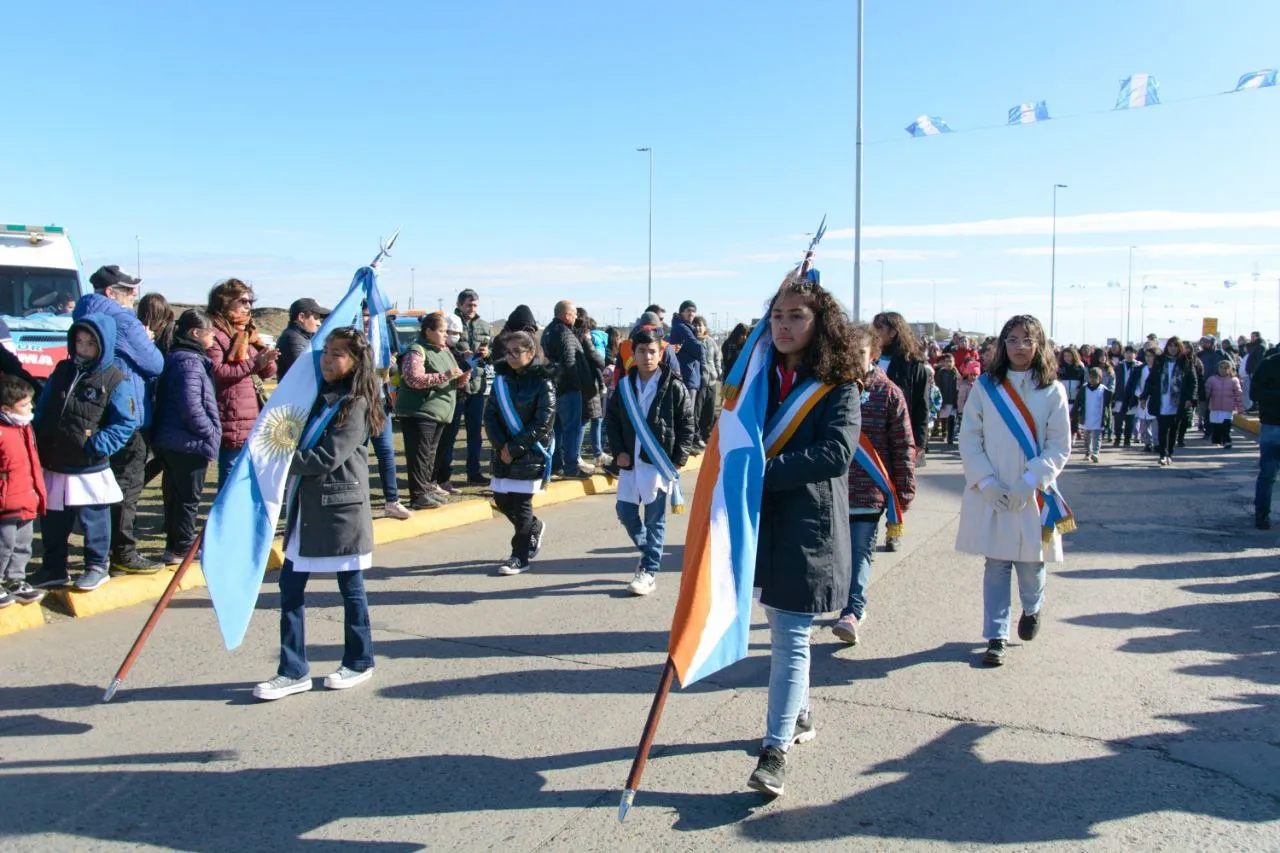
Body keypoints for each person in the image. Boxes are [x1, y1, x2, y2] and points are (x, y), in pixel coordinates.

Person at [747, 269, 860, 798]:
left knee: (790, 635)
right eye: (777, 315)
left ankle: (774, 750)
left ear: (820, 323)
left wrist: (764, 472)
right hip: (759, 521)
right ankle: (802, 712)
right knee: (779, 624)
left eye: (797, 315)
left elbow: (837, 453)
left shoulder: (839, 385)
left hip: (805, 523)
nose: (784, 325)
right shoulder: (755, 378)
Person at [252, 328, 383, 701]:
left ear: (356, 361)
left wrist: (277, 461)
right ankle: (292, 670)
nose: (327, 359)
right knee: (290, 588)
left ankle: (359, 660)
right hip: (305, 509)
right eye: (326, 351)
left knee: (351, 589)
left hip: (341, 510)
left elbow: (327, 457)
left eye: (338, 354)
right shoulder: (314, 397)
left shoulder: (356, 403)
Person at [957, 314, 1071, 667]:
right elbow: (970, 437)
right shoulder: (985, 387)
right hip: (993, 489)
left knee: (1030, 563)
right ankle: (996, 635)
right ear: (1003, 344)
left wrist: (1030, 481)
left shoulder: (1052, 389)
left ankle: (1033, 608)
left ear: (1039, 345)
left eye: (1027, 340)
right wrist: (986, 482)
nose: (1019, 347)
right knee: (996, 563)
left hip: (1032, 491)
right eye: (1013, 339)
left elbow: (1059, 445)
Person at [30, 315, 138, 591]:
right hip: (55, 459)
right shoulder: (63, 369)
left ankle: (96, 566)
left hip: (88, 465)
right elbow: (43, 406)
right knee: (53, 518)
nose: (83, 348)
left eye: (90, 343)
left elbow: (125, 421)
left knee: (94, 517)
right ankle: (53, 567)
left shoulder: (115, 379)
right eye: (79, 341)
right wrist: (37, 433)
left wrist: (98, 445)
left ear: (103, 344)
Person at [75, 265, 165, 573]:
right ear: (111, 293)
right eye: (128, 290)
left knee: (100, 484)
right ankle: (123, 551)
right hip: (127, 412)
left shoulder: (82, 313)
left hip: (95, 412)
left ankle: (101, 551)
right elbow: (154, 363)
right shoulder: (123, 319)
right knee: (127, 484)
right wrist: (147, 338)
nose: (133, 295)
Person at [832, 323, 914, 645]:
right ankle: (843, 602)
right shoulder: (832, 389)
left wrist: (903, 490)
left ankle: (853, 610)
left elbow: (903, 444)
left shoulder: (889, 393)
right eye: (848, 355)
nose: (854, 361)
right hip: (835, 491)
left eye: (861, 355)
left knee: (860, 551)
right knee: (839, 555)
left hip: (870, 491)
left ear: (874, 356)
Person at [605, 327, 695, 596]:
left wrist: (678, 460)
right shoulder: (624, 386)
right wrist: (618, 450)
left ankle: (649, 571)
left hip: (658, 462)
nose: (647, 357)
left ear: (661, 353)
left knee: (655, 520)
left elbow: (686, 425)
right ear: (633, 354)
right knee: (625, 512)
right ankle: (649, 552)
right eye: (641, 351)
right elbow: (612, 421)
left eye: (652, 351)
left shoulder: (674, 385)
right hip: (630, 462)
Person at [150, 309, 221, 565]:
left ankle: (175, 545)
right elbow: (191, 405)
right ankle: (181, 546)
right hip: (187, 441)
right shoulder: (189, 362)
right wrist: (210, 430)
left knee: (176, 495)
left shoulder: (181, 358)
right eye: (210, 332)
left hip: (175, 439)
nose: (213, 337)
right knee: (187, 498)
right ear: (195, 333)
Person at [484, 330, 555, 575]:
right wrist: (501, 446)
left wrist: (515, 448)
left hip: (530, 451)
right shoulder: (502, 380)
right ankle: (534, 528)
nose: (511, 356)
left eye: (517, 351)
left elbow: (544, 420)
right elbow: (490, 414)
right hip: (503, 450)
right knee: (502, 500)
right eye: (508, 351)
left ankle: (519, 556)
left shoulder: (543, 381)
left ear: (531, 353)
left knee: (521, 504)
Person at [207, 279, 279, 488]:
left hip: (248, 411)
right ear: (225, 302)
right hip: (228, 410)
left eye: (250, 302)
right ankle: (226, 518)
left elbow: (266, 372)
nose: (248, 306)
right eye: (243, 301)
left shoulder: (247, 333)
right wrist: (254, 363)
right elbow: (218, 371)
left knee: (245, 473)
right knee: (231, 472)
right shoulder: (216, 332)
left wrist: (268, 360)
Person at [394, 313, 467, 509]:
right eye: (442, 331)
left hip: (440, 413)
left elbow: (452, 378)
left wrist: (463, 377)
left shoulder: (445, 351)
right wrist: (445, 375)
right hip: (420, 412)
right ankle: (418, 496)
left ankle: (427, 489)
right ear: (428, 332)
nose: (446, 335)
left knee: (430, 455)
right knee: (420, 454)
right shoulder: (416, 351)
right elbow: (413, 378)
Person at [541, 300, 601, 479]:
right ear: (567, 315)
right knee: (572, 429)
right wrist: (577, 383)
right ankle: (571, 467)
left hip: (556, 388)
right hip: (568, 389)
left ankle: (558, 465)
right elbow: (569, 361)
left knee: (558, 429)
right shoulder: (565, 333)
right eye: (574, 315)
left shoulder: (548, 331)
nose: (576, 318)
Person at [361, 304, 411, 520]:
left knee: (386, 453)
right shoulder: (349, 340)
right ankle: (359, 503)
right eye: (364, 316)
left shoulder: (382, 337)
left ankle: (392, 501)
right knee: (359, 455)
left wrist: (390, 365)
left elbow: (391, 371)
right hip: (358, 405)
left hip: (380, 403)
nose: (367, 320)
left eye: (370, 317)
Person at [0, 374, 46, 607]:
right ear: (6, 408)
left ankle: (16, 579)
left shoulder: (25, 428)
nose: (29, 408)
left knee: (23, 543)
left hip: (27, 497)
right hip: (5, 502)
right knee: (3, 544)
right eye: (24, 405)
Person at [871, 312, 928, 466]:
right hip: (869, 434)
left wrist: (919, 441)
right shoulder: (868, 359)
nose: (873, 332)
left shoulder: (914, 365)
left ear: (893, 332)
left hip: (900, 435)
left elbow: (921, 406)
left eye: (879, 328)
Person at [451, 289, 493, 486]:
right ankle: (443, 475)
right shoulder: (450, 323)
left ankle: (474, 472)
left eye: (475, 305)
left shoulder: (485, 326)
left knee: (475, 433)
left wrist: (486, 353)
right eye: (469, 305)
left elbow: (492, 356)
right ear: (460, 305)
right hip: (454, 387)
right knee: (449, 434)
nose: (472, 308)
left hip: (476, 387)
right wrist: (462, 353)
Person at [1142, 336, 1198, 467]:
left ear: (1180, 348)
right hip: (1162, 400)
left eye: (1176, 346)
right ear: (1167, 347)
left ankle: (1169, 454)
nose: (1173, 349)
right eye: (1170, 346)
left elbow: (1193, 382)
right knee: (1162, 428)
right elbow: (1151, 380)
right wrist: (1144, 396)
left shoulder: (1186, 362)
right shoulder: (1160, 361)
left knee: (1173, 429)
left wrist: (1191, 398)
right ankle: (1162, 454)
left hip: (1178, 402)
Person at [1249, 342, 1280, 529]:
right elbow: (1255, 393)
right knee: (1268, 474)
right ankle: (1262, 514)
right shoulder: (1269, 364)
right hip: (1272, 426)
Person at [667, 301, 705, 447]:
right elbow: (699, 349)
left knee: (687, 413)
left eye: (694, 311)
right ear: (681, 312)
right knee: (686, 414)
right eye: (688, 310)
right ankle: (683, 447)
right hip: (687, 375)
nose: (691, 314)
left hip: (690, 374)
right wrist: (701, 343)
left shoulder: (686, 327)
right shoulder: (682, 328)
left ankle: (685, 445)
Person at [275, 298, 330, 379]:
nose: (319, 323)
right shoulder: (292, 339)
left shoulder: (301, 337)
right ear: (301, 317)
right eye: (316, 318)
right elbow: (305, 372)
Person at [693, 315, 722, 444]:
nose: (698, 328)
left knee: (709, 410)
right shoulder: (692, 341)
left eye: (700, 325)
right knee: (697, 410)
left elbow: (716, 357)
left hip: (712, 381)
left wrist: (717, 371)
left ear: (705, 327)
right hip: (699, 382)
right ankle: (697, 436)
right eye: (696, 325)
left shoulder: (710, 341)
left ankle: (707, 434)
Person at [1205, 359, 1244, 448]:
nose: (1223, 369)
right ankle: (1217, 440)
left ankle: (1227, 441)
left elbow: (1238, 395)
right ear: (1218, 368)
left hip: (1228, 408)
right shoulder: (1212, 379)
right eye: (1221, 367)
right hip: (1215, 407)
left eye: (1226, 367)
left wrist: (1240, 408)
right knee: (1216, 425)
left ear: (1230, 369)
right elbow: (1206, 392)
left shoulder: (1234, 380)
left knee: (1226, 426)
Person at [1076, 367, 1111, 463]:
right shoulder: (1084, 388)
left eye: (1095, 378)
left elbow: (1107, 406)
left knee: (1097, 436)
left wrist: (1107, 419)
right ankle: (1087, 452)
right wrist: (1075, 412)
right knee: (1086, 436)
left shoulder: (1103, 389)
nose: (1093, 380)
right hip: (1086, 417)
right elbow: (1078, 401)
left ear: (1100, 378)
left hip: (1098, 417)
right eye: (1091, 377)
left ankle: (1095, 453)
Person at [1195, 336, 1227, 438]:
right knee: (1205, 408)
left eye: (1208, 342)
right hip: (1203, 385)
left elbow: (1231, 366)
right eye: (1204, 342)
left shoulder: (1221, 354)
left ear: (1213, 343)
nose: (1205, 344)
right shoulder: (1200, 355)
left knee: (1215, 409)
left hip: (1218, 385)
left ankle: (1215, 430)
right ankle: (1207, 430)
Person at [1111, 346, 1141, 448]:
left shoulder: (1139, 366)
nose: (1128, 355)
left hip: (1132, 398)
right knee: (1118, 420)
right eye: (1127, 352)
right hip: (1119, 397)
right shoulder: (1119, 366)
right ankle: (1117, 438)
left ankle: (1127, 439)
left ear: (1135, 354)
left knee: (1130, 420)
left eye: (1131, 352)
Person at [1057, 347, 1086, 442]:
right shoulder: (1060, 368)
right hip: (1064, 398)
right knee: (1065, 419)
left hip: (1075, 398)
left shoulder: (1079, 368)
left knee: (1075, 418)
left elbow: (1083, 381)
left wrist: (1080, 391)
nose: (1067, 358)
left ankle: (1073, 433)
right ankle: (1065, 436)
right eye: (1065, 356)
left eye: (1069, 356)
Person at [1134, 349, 1158, 452]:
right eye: (1146, 356)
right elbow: (1136, 385)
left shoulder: (1158, 369)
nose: (1148, 358)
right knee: (1144, 423)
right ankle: (1148, 443)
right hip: (1143, 400)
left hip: (1155, 399)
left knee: (1156, 423)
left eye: (1151, 356)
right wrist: (1141, 396)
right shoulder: (1141, 369)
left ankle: (1157, 443)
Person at [934, 351, 960, 445]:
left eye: (951, 361)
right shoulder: (941, 373)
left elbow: (959, 386)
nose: (949, 363)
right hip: (944, 399)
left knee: (952, 419)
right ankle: (944, 432)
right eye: (947, 361)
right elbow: (937, 386)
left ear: (954, 362)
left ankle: (950, 438)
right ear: (944, 362)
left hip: (953, 400)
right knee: (943, 418)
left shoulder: (956, 373)